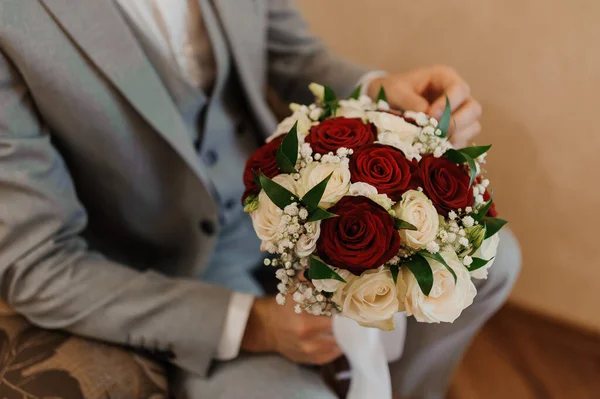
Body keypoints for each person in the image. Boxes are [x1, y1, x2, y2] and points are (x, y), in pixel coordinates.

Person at [0, 1, 520, 398]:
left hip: (290, 202)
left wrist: (380, 89)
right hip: (168, 270)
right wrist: (248, 325)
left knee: (491, 263)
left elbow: (290, 51)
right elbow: (36, 263)